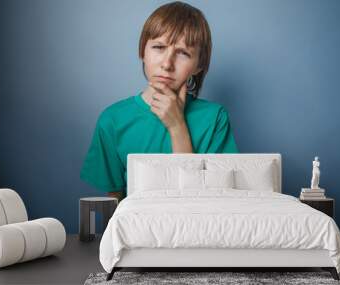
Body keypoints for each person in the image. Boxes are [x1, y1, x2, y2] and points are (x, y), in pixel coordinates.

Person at [80, 1, 239, 202]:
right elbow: (115, 201)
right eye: (158, 47)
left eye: (183, 53)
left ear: (199, 65)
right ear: (142, 52)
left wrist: (177, 126)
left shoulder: (215, 118)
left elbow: (206, 201)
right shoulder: (113, 120)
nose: (166, 64)